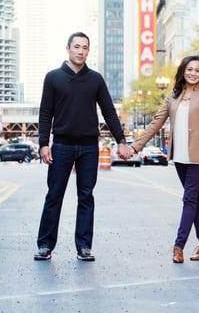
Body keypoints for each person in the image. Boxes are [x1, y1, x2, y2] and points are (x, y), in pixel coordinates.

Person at [34, 32, 132, 262]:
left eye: (85, 47)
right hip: (61, 146)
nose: (80, 51)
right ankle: (45, 245)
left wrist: (121, 140)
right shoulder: (53, 78)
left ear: (88, 51)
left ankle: (84, 246)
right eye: (76, 46)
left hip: (89, 147)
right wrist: (43, 143)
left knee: (86, 197)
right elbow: (45, 112)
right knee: (54, 195)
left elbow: (108, 111)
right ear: (68, 48)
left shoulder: (95, 79)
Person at [122, 55, 199, 264]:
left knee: (189, 198)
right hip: (180, 155)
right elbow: (156, 123)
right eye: (189, 69)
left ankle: (179, 245)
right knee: (194, 199)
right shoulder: (173, 96)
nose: (193, 73)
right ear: (183, 71)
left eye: (197, 71)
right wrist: (136, 146)